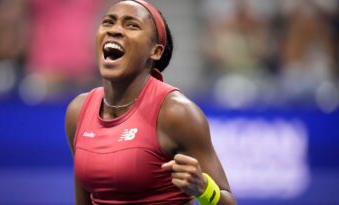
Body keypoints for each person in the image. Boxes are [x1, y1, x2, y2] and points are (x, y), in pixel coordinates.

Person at [65, 0, 237, 204]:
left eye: (131, 25)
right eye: (108, 22)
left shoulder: (176, 113)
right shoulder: (78, 111)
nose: (115, 30)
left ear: (155, 51)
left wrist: (204, 189)